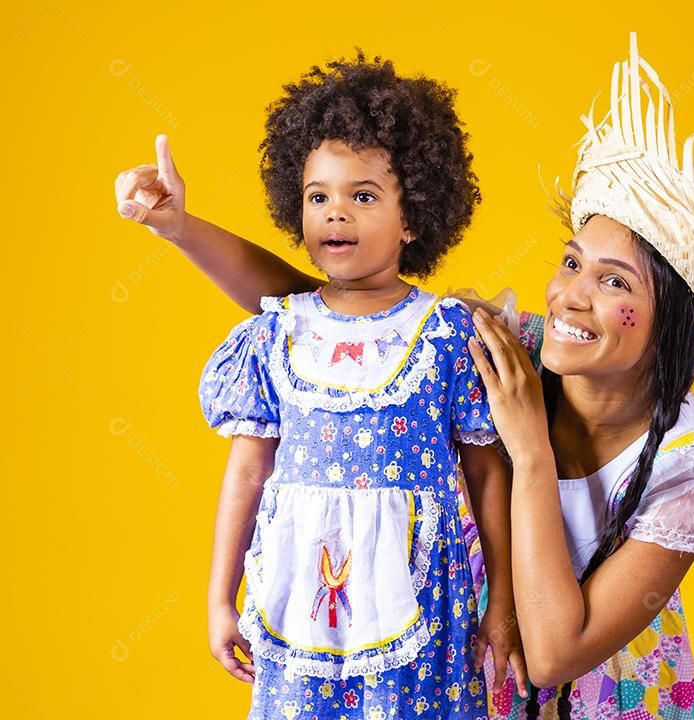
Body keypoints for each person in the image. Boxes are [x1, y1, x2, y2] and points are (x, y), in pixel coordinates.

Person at [115, 36, 694, 718]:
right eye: (571, 263)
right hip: (471, 681)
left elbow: (555, 654)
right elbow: (329, 312)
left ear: (670, 321)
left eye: (614, 282)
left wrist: (528, 447)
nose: (571, 297)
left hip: (607, 698)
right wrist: (180, 228)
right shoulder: (513, 350)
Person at [117, 54, 527, 719]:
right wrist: (219, 599)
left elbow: (486, 472)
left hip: (422, 604)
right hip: (299, 601)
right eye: (318, 197)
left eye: (362, 196)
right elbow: (247, 471)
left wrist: (501, 602)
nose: (336, 213)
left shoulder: (449, 333)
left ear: (413, 218)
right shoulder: (275, 333)